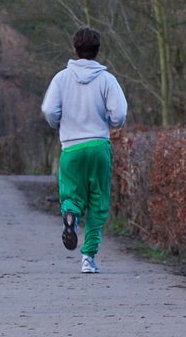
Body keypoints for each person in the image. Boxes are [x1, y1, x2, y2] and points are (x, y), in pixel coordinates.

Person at [41, 26, 127, 274]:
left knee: (71, 195)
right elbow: (119, 114)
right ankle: (88, 257)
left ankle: (70, 214)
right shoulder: (107, 80)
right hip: (99, 145)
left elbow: (49, 110)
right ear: (98, 51)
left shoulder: (61, 79)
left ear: (75, 49)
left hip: (71, 147)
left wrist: (59, 122)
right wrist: (111, 123)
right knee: (99, 201)